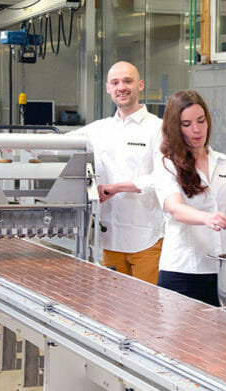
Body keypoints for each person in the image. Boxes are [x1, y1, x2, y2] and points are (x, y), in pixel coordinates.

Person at [70, 61, 163, 284]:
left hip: (148, 239)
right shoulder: (100, 130)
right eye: (115, 82)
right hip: (110, 239)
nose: (121, 86)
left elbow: (162, 178)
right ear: (108, 88)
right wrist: (14, 144)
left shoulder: (158, 128)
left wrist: (116, 188)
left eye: (127, 81)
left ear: (140, 85)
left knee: (149, 309)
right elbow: (59, 144)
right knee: (113, 309)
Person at [154, 90, 226, 306]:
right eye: (186, 124)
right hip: (184, 271)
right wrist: (207, 218)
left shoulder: (224, 162)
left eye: (201, 121)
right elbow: (175, 208)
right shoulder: (167, 164)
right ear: (174, 128)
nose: (196, 130)